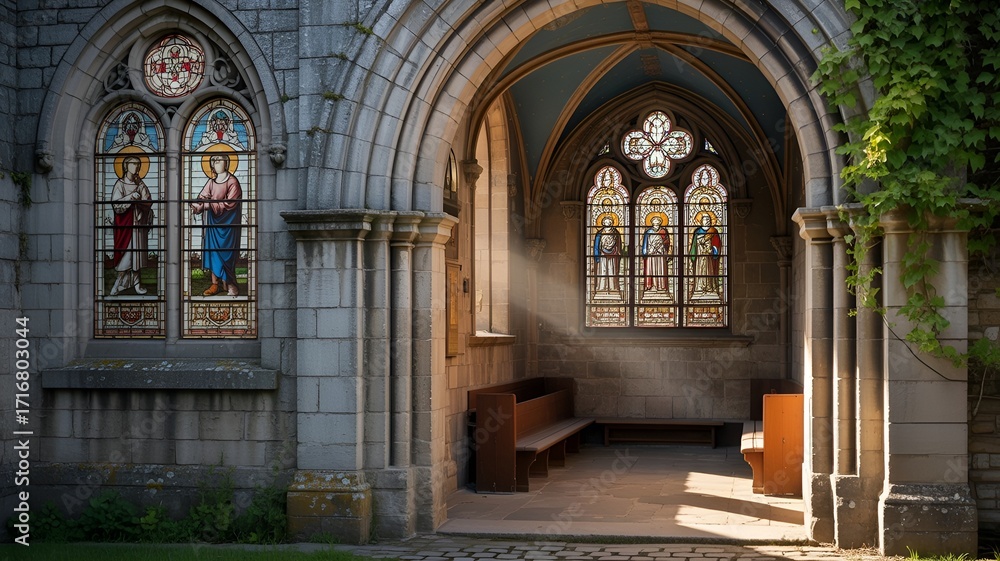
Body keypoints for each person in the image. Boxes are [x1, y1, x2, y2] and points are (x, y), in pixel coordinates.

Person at [191, 154, 242, 296]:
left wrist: (207, 205)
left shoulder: (233, 182)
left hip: (229, 224)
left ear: (227, 163)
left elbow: (230, 204)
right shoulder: (211, 182)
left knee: (227, 253)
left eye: (219, 161)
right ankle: (215, 284)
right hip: (213, 224)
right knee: (213, 252)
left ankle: (230, 283)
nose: (217, 163)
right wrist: (198, 205)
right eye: (214, 161)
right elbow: (203, 197)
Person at [109, 156, 153, 296]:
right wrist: (130, 197)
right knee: (126, 256)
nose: (136, 167)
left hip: (138, 225)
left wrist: (140, 200)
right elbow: (116, 206)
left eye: (138, 164)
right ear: (126, 166)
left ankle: (136, 283)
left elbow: (148, 201)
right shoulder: (120, 184)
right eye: (133, 164)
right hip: (125, 226)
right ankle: (118, 283)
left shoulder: (140, 184)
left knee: (136, 255)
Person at [689, 212, 723, 299]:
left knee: (709, 270)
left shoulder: (713, 231)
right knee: (699, 270)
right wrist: (693, 254)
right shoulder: (697, 231)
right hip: (699, 256)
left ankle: (709, 287)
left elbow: (717, 244)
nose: (707, 221)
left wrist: (713, 250)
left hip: (709, 257)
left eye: (708, 219)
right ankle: (699, 288)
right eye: (705, 219)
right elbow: (694, 246)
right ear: (701, 221)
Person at [593, 216, 622, 293]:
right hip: (602, 254)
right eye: (605, 221)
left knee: (611, 270)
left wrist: (618, 252)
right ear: (603, 223)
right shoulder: (600, 233)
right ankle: (602, 287)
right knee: (603, 270)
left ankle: (613, 287)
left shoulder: (615, 232)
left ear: (611, 223)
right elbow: (596, 245)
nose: (607, 223)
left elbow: (619, 243)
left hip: (613, 255)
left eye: (609, 222)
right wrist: (597, 256)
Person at [642, 215, 670, 292]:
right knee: (651, 269)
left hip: (660, 253)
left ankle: (661, 285)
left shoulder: (663, 231)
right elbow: (645, 243)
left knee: (661, 269)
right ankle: (651, 285)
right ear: (652, 223)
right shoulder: (648, 232)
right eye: (655, 222)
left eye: (658, 222)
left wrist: (664, 248)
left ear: (660, 223)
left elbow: (667, 243)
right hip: (651, 253)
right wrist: (645, 252)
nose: (656, 223)